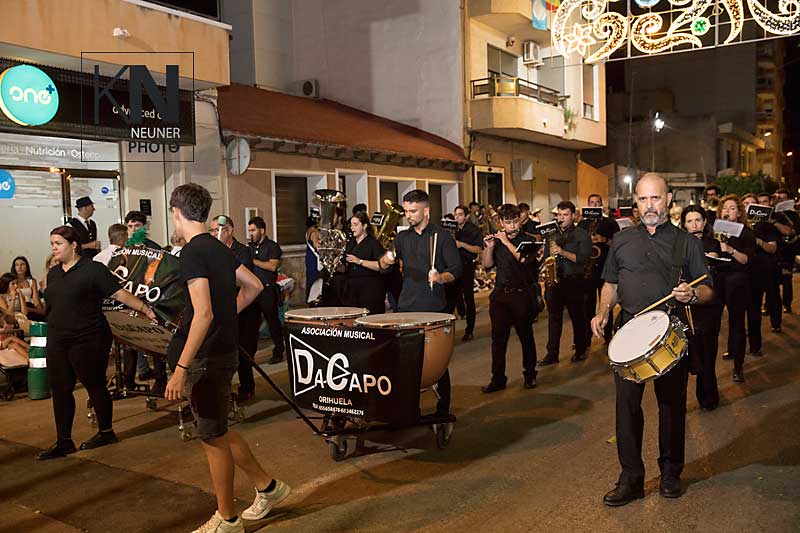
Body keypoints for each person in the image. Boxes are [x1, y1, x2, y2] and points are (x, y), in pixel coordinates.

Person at [164, 184, 290, 533]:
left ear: (176, 212)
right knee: (219, 429)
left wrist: (180, 369)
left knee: (212, 438)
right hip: (221, 352)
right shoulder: (219, 248)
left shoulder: (192, 252)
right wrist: (227, 316)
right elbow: (254, 286)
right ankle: (268, 487)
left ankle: (227, 519)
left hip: (205, 359)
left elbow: (203, 314)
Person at [591, 173, 712, 505]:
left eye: (655, 198)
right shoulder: (622, 240)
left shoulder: (686, 243)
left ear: (669, 199)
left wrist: (692, 294)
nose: (649, 206)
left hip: (669, 331)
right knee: (626, 408)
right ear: (636, 202)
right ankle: (631, 478)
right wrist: (603, 311)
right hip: (629, 331)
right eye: (643, 199)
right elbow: (611, 284)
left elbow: (707, 288)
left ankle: (671, 473)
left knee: (671, 406)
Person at [36, 225, 156, 461]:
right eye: (52, 244)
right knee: (60, 389)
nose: (54, 248)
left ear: (73, 245)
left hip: (88, 337)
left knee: (95, 385)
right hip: (58, 338)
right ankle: (63, 442)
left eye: (58, 244)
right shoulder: (54, 273)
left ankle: (106, 432)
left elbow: (118, 293)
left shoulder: (93, 270)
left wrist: (144, 308)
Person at [379, 189, 461, 418]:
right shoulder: (402, 238)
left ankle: (443, 407)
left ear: (426, 211)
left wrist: (440, 277)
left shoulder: (442, 237)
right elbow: (383, 265)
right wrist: (386, 259)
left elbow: (456, 270)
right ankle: (409, 409)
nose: (408, 215)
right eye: (406, 211)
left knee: (435, 359)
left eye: (413, 211)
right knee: (407, 361)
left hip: (433, 306)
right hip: (407, 305)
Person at [480, 203, 539, 392]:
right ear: (501, 223)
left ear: (520, 221)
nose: (512, 226)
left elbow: (523, 259)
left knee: (526, 337)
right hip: (500, 295)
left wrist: (505, 241)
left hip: (521, 294)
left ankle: (530, 374)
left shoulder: (528, 240)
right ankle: (498, 379)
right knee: (498, 340)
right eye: (508, 222)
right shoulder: (496, 241)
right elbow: (487, 265)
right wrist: (489, 248)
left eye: (515, 221)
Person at [210, 215, 262, 403]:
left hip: (244, 309)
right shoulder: (213, 251)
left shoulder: (242, 251)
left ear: (229, 230)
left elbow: (242, 280)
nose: (214, 234)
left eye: (217, 230)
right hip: (223, 307)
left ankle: (247, 387)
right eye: (212, 230)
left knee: (244, 350)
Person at [539, 201, 592, 366]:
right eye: (559, 215)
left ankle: (581, 349)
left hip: (574, 280)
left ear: (574, 216)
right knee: (554, 318)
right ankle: (552, 353)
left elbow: (583, 259)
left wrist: (562, 252)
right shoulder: (552, 234)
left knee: (577, 316)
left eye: (565, 215)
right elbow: (546, 257)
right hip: (554, 280)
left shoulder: (582, 234)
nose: (561, 218)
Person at [681, 205, 723, 410]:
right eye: (689, 221)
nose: (694, 225)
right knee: (688, 353)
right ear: (683, 224)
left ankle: (708, 397)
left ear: (705, 222)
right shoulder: (679, 244)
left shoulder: (712, 242)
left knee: (708, 352)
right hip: (686, 304)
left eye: (698, 220)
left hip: (708, 303)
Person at [715, 195, 756, 382]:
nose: (727, 211)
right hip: (719, 280)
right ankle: (731, 350)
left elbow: (746, 260)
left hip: (738, 281)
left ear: (739, 213)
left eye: (732, 208)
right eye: (725, 208)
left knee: (737, 322)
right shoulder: (716, 231)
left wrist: (730, 249)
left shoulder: (746, 233)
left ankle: (738, 367)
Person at [578, 194, 621, 346]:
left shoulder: (610, 223)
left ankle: (608, 336)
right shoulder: (582, 224)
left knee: (607, 304)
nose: (595, 205)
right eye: (592, 203)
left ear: (601, 205)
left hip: (605, 267)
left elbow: (618, 244)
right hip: (588, 269)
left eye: (597, 202)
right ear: (588, 205)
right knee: (587, 305)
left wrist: (604, 240)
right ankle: (587, 338)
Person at [742, 194, 782, 339]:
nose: (749, 206)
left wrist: (759, 242)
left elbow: (772, 248)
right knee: (752, 306)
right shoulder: (740, 225)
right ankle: (754, 338)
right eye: (746, 203)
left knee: (773, 297)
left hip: (767, 269)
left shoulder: (766, 225)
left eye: (752, 203)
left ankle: (776, 323)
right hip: (748, 271)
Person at [248, 217, 284, 365]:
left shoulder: (272, 246)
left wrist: (254, 261)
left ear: (261, 230)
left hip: (267, 290)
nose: (251, 233)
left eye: (253, 230)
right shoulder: (249, 248)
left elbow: (272, 266)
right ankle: (250, 355)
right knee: (251, 325)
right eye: (249, 231)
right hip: (252, 291)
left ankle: (278, 351)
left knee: (272, 322)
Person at [342, 212, 386, 314]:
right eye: (351, 225)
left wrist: (360, 261)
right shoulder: (350, 244)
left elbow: (380, 266)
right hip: (352, 289)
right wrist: (337, 265)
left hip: (369, 289)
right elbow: (345, 267)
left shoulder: (373, 243)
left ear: (364, 226)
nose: (352, 228)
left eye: (355, 224)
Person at [451, 205, 484, 341]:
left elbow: (479, 249)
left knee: (469, 298)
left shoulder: (473, 230)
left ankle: (469, 330)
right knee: (451, 299)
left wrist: (462, 244)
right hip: (452, 267)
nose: (457, 217)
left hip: (466, 266)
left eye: (460, 215)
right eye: (455, 215)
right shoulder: (452, 229)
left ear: (467, 216)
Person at [304, 216, 322, 304]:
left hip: (309, 257)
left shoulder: (307, 232)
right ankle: (314, 299)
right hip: (314, 258)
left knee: (310, 277)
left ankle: (310, 298)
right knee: (316, 278)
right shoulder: (314, 233)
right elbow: (317, 247)